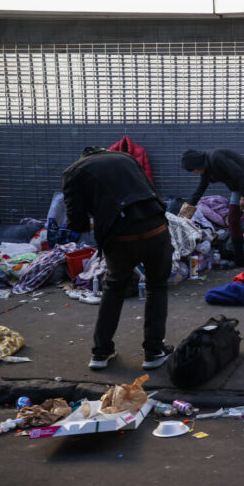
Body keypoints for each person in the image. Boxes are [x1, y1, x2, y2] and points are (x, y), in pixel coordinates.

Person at [62, 147, 173, 370]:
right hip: (155, 228)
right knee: (156, 287)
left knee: (113, 289)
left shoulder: (73, 173)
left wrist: (98, 220)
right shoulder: (126, 158)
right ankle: (153, 352)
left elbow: (78, 223)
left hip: (120, 239)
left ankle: (100, 354)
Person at [181, 149, 244, 266]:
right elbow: (200, 190)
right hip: (237, 186)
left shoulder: (216, 158)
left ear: (197, 163)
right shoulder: (206, 170)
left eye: (192, 169)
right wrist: (185, 213)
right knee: (233, 220)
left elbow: (240, 174)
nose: (193, 173)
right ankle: (239, 259)